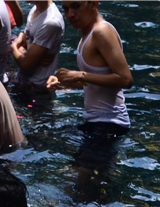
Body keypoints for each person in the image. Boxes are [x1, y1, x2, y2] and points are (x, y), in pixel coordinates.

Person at [46, 1, 132, 129]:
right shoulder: (87, 34)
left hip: (111, 123)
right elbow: (92, 84)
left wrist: (80, 75)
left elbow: (126, 80)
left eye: (76, 6)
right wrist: (63, 82)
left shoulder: (102, 31)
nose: (70, 15)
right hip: (98, 121)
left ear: (93, 3)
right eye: (66, 9)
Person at [10, 1, 65, 90]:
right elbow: (24, 40)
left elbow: (26, 65)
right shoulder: (35, 9)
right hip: (23, 81)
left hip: (37, 89)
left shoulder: (50, 22)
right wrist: (27, 55)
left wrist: (13, 46)